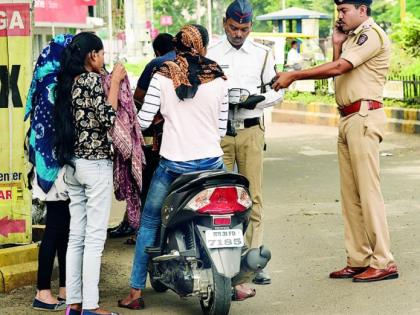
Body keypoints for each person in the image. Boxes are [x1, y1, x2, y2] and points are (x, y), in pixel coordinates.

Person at [272, 0, 398, 282]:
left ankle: (383, 260)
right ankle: (358, 258)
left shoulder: (371, 34)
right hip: (348, 119)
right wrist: (338, 42)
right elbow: (341, 68)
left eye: (344, 10)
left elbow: (340, 68)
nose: (339, 15)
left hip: (364, 117)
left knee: (368, 193)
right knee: (351, 196)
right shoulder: (353, 38)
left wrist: (294, 75)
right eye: (338, 10)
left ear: (362, 10)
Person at [117, 24, 228, 310]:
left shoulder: (161, 75)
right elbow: (222, 128)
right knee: (227, 212)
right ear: (202, 46)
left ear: (176, 45)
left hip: (173, 167)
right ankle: (236, 282)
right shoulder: (217, 76)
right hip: (212, 164)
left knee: (150, 222)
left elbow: (141, 123)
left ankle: (135, 292)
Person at [206, 0, 283, 287]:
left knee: (253, 196)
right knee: (219, 196)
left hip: (251, 129)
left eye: (244, 28)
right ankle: (221, 259)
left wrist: (258, 99)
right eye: (233, 28)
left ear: (251, 26)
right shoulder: (211, 52)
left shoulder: (263, 54)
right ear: (224, 23)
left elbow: (278, 91)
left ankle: (253, 260)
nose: (238, 34)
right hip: (220, 131)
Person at [54, 32, 126, 315]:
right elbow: (109, 118)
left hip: (72, 165)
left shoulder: (66, 83)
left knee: (77, 237)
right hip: (95, 165)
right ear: (92, 56)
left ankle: (73, 303)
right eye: (103, 54)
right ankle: (91, 307)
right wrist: (117, 82)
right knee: (95, 239)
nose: (105, 59)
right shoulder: (91, 81)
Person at [109, 33, 175, 240]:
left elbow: (138, 98)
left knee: (147, 181)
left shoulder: (156, 64)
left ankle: (142, 231)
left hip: (156, 136)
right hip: (183, 137)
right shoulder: (198, 65)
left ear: (156, 51)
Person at [25, 34, 74, 312]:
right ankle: (43, 291)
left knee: (64, 229)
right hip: (53, 166)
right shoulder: (54, 84)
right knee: (56, 229)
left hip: (52, 164)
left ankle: (64, 287)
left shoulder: (49, 77)